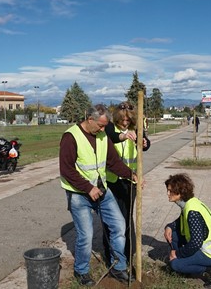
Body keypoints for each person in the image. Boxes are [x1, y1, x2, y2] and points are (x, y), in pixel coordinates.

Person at [59, 104, 136, 286]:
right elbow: (66, 170)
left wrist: (131, 175)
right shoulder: (71, 137)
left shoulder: (102, 136)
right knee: (86, 235)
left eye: (105, 126)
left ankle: (118, 266)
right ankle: (82, 271)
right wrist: (88, 188)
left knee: (119, 225)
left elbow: (113, 162)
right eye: (100, 126)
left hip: (102, 190)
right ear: (89, 119)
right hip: (79, 194)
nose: (103, 129)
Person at [102, 101, 150, 270]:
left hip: (131, 181)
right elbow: (113, 137)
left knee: (127, 217)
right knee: (111, 220)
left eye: (128, 120)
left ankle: (129, 255)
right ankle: (111, 256)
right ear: (117, 118)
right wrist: (123, 135)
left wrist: (144, 143)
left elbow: (146, 143)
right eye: (122, 120)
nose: (125, 123)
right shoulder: (109, 128)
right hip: (112, 182)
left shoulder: (137, 129)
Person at [163, 173, 211, 288]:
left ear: (180, 192)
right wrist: (169, 226)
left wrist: (177, 254)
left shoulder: (192, 213)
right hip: (207, 246)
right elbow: (181, 220)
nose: (168, 194)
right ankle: (186, 261)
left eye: (170, 191)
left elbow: (196, 242)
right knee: (173, 234)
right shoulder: (191, 203)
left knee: (175, 264)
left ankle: (210, 269)